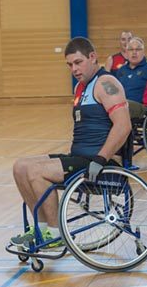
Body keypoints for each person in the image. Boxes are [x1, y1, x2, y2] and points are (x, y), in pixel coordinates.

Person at [11, 37, 131, 249]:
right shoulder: (81, 87)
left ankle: (56, 234)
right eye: (69, 65)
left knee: (36, 173)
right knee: (20, 167)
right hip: (80, 158)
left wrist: (100, 159)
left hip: (100, 162)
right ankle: (40, 229)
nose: (74, 69)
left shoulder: (106, 84)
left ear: (92, 57)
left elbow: (123, 126)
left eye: (78, 62)